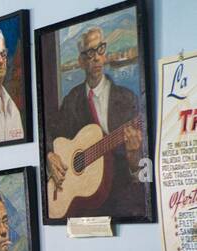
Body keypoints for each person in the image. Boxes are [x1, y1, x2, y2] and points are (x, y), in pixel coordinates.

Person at [45, 24, 147, 218]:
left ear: (105, 53)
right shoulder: (72, 100)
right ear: (81, 61)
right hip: (83, 204)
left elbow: (140, 171)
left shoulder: (127, 99)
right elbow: (48, 133)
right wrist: (50, 155)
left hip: (120, 200)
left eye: (100, 49)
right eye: (89, 53)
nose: (96, 57)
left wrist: (134, 156)